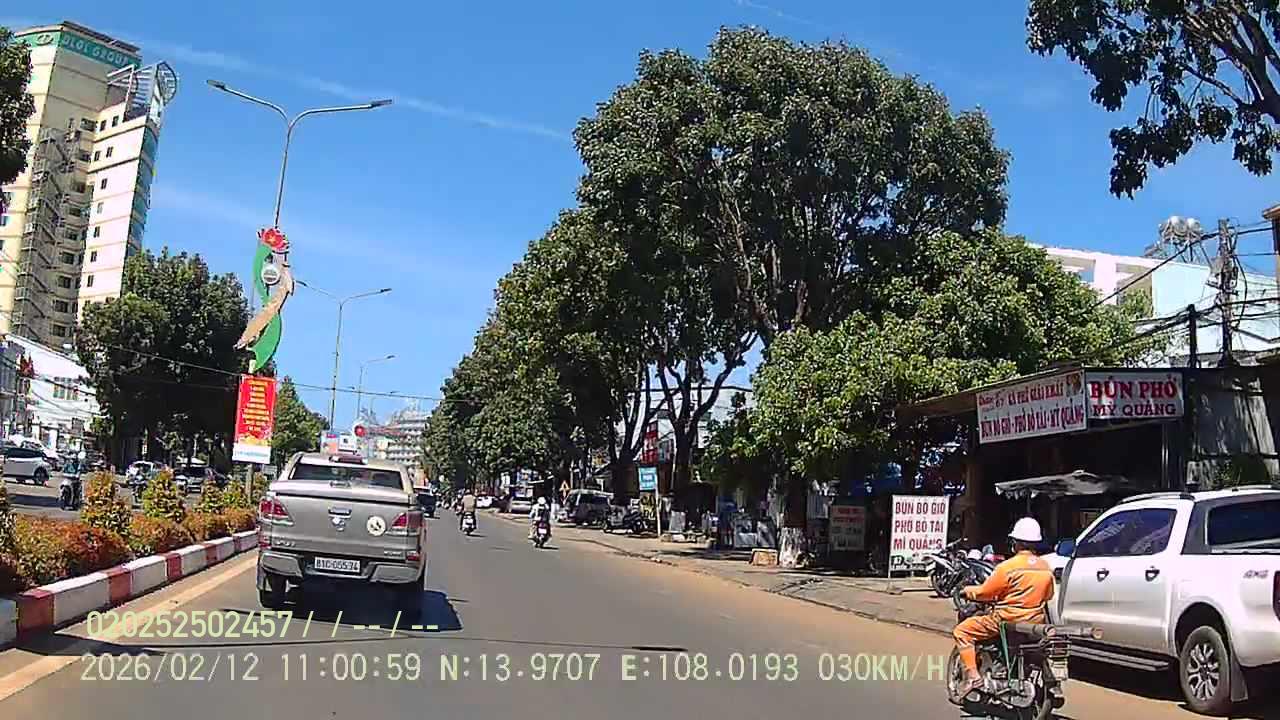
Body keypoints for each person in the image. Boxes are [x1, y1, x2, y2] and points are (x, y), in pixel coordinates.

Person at [952, 517, 1054, 699]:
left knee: (962, 631)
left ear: (1016, 543)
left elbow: (986, 592)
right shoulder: (1045, 567)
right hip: (1035, 621)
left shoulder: (1007, 567)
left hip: (1005, 620)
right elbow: (1049, 595)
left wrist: (967, 591)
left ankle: (973, 676)